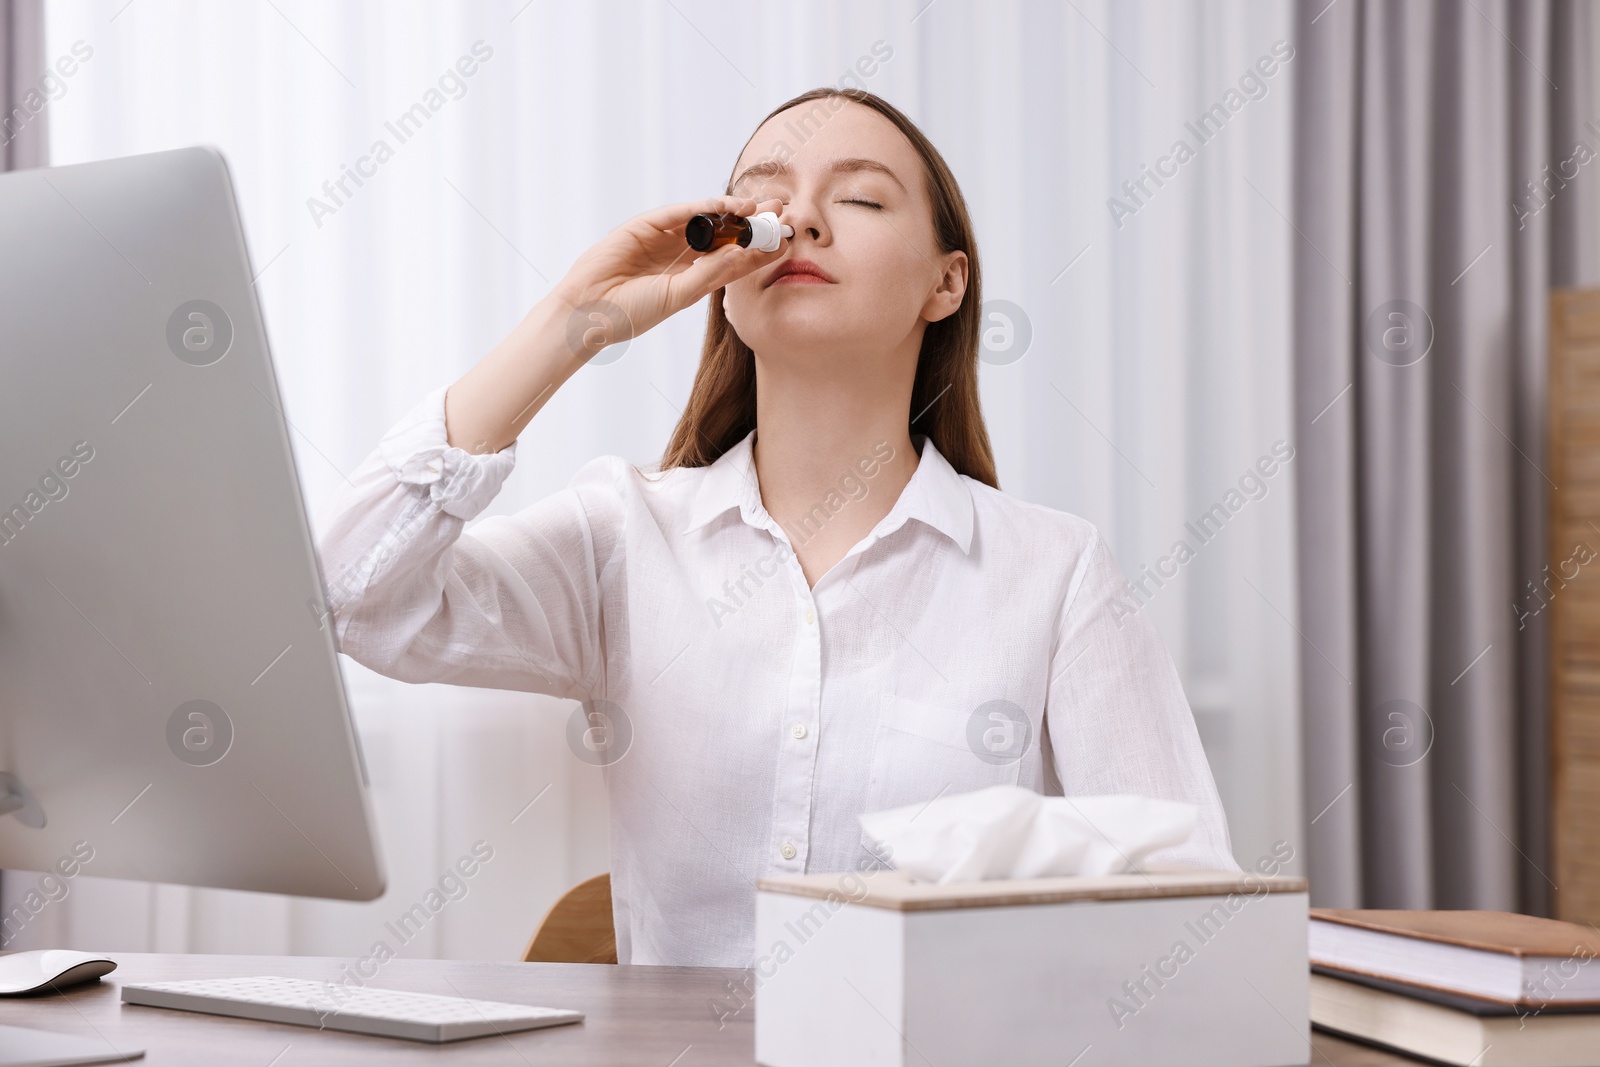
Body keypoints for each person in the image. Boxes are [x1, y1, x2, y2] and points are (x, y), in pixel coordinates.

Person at [317, 87, 1237, 968]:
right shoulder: (626, 536)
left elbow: (1190, 911)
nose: (799, 220)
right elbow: (354, 595)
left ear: (945, 283)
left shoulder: (1056, 572)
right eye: (764, 198)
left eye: (862, 197)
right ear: (724, 277)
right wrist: (572, 322)